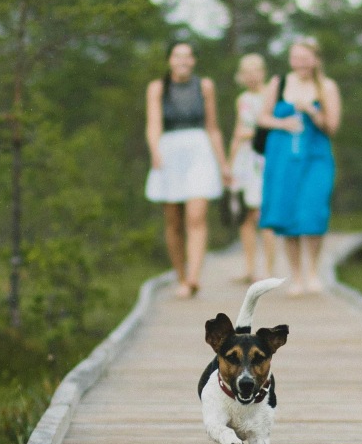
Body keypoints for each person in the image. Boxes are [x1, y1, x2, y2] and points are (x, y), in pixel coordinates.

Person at [257, 37, 342, 296]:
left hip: (316, 156)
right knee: (288, 215)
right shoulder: (279, 83)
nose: (300, 64)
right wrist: (282, 123)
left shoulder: (327, 86)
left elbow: (333, 127)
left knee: (312, 210)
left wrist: (312, 112)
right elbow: (262, 117)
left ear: (316, 60)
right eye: (296, 58)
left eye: (305, 59)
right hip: (284, 158)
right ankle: (296, 276)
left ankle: (313, 271)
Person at [145, 42, 230, 299]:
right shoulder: (158, 88)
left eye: (187, 56)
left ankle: (194, 275)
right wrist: (155, 151)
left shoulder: (205, 86)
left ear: (193, 61)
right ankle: (180, 275)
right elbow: (153, 124)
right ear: (169, 60)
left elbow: (213, 127)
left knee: (196, 216)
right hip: (170, 149)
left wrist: (223, 163)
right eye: (177, 56)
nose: (182, 61)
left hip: (199, 149)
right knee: (173, 219)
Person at [226, 53, 280, 283]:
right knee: (245, 217)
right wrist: (229, 163)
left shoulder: (273, 95)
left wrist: (250, 133)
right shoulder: (243, 99)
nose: (251, 76)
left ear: (263, 71)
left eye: (255, 70)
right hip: (244, 161)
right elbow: (237, 132)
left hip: (263, 157)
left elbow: (272, 129)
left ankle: (269, 269)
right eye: (246, 72)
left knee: (263, 214)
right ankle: (250, 268)